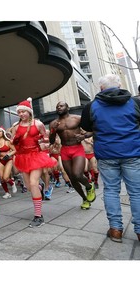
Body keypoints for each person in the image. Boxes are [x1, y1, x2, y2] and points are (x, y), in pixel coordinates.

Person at [80, 74, 140, 243]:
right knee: (136, 192)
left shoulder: (92, 106)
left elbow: (85, 126)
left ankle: (116, 230)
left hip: (106, 154)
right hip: (133, 153)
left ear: (101, 88)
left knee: (111, 191)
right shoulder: (135, 103)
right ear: (120, 85)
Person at [10, 98, 57, 227]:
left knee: (33, 183)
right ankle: (40, 188)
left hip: (36, 156)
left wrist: (42, 143)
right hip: (23, 157)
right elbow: (13, 143)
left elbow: (46, 140)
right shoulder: (15, 126)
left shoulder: (38, 124)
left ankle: (38, 216)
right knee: (31, 187)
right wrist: (15, 141)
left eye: (23, 112)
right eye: (19, 112)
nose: (21, 114)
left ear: (29, 112)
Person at [49, 101, 96, 210]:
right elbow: (51, 141)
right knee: (72, 178)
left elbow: (92, 131)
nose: (59, 107)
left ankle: (89, 186)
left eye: (61, 105)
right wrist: (53, 130)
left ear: (67, 107)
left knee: (77, 174)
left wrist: (83, 137)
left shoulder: (77, 118)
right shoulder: (54, 123)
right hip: (64, 150)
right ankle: (84, 199)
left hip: (77, 148)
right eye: (57, 106)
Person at [0, 127, 16, 199]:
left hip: (8, 159)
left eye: (0, 131)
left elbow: (14, 150)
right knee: (2, 179)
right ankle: (7, 193)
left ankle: (12, 183)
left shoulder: (7, 141)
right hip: (0, 160)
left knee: (6, 178)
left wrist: (8, 154)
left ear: (3, 132)